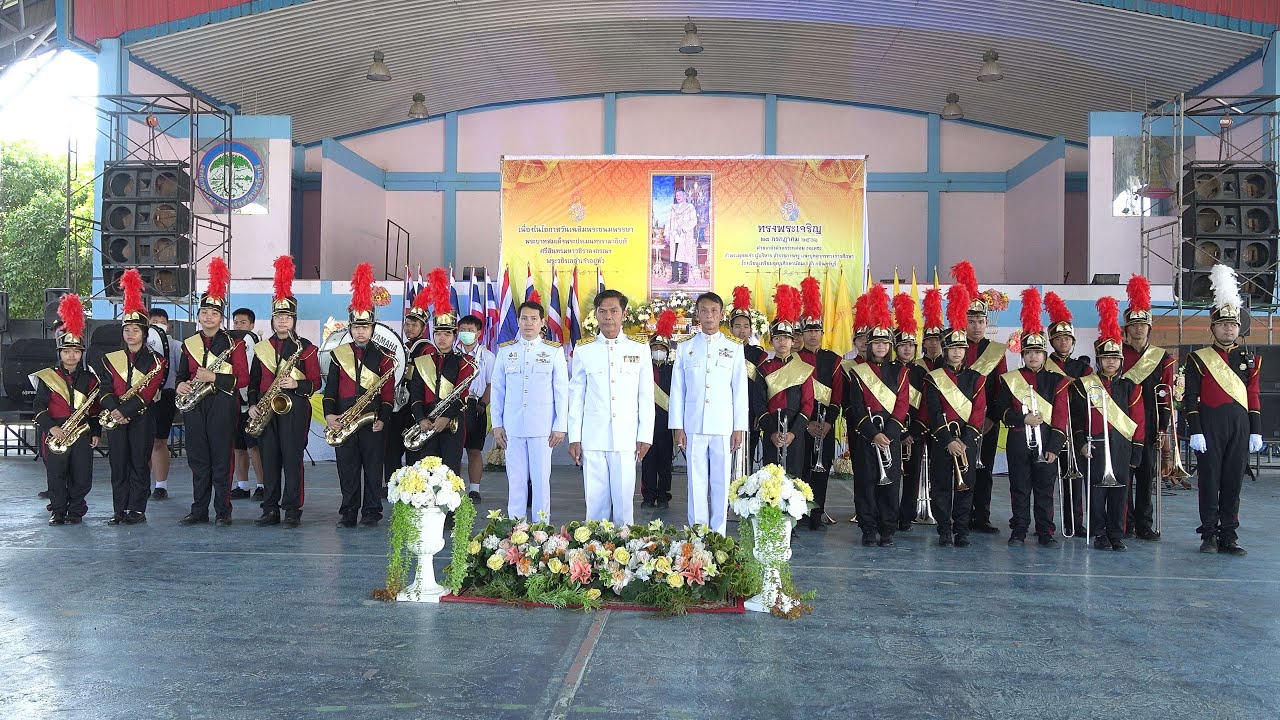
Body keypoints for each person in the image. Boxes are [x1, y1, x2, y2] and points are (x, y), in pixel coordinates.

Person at [1183, 264, 1261, 556]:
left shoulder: (1250, 358)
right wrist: (1196, 430)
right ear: (1212, 327)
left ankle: (1229, 534)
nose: (1229, 328)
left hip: (1240, 426)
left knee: (1232, 482)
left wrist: (1256, 430)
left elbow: (1253, 395)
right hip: (1210, 425)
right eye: (1223, 324)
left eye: (1233, 325)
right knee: (1209, 481)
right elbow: (1190, 397)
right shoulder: (1198, 359)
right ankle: (1209, 534)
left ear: (1239, 328)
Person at [568, 289, 655, 525]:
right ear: (595, 315)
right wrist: (574, 437)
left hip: (626, 438)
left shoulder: (639, 348)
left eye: (614, 311)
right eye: (603, 311)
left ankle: (625, 554)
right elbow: (576, 396)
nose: (608, 316)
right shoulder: (584, 349)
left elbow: (646, 395)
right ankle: (595, 553)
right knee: (595, 504)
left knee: (625, 504)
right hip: (593, 437)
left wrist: (645, 435)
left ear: (624, 314)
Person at [248, 257, 321, 528]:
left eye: (287, 317)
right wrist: (254, 403)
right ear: (273, 319)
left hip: (296, 409)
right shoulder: (262, 348)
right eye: (278, 317)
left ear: (294, 320)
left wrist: (295, 385)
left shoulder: (307, 348)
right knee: (269, 460)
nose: (282, 321)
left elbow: (316, 383)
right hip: (267, 410)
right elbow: (254, 382)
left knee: (292, 460)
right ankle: (270, 508)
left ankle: (292, 510)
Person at [992, 289, 1069, 547]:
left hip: (1047, 442)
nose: (1033, 356)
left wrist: (1055, 448)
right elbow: (1000, 411)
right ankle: (1019, 530)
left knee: (1046, 490)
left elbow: (1060, 416)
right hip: (1018, 442)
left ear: (1044, 355)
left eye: (1038, 352)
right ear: (1022, 355)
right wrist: (1021, 419)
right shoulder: (1010, 380)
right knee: (1019, 489)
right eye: (1029, 352)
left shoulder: (1056, 381)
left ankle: (1046, 531)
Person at [177, 258, 250, 526]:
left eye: (214, 313)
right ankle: (198, 509)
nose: (209, 317)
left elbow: (243, 378)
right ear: (198, 315)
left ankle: (222, 510)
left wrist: (214, 377)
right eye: (204, 312)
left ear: (222, 317)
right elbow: (181, 374)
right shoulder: (189, 343)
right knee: (197, 459)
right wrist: (182, 384)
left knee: (221, 458)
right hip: (195, 405)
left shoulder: (235, 343)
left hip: (222, 404)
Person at [669, 291, 749, 535]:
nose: (709, 315)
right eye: (704, 310)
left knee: (721, 481)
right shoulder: (685, 348)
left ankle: (718, 533)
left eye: (714, 311)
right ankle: (698, 533)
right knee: (696, 482)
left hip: (723, 426)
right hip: (693, 425)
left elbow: (739, 390)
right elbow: (677, 390)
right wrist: (677, 426)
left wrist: (739, 427)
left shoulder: (733, 348)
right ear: (698, 314)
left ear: (721, 315)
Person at [324, 263, 396, 528]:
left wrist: (383, 418)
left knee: (373, 468)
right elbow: (330, 388)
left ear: (373, 327)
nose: (361, 331)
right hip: (344, 416)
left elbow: (388, 393)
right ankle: (348, 511)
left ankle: (371, 512)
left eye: (365, 327)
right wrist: (330, 414)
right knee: (347, 467)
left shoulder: (385, 357)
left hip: (372, 418)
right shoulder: (338, 355)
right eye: (356, 327)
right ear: (350, 328)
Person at [1070, 297, 1144, 551]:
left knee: (1120, 494)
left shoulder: (1130, 387)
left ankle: (1116, 533)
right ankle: (1099, 533)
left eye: (1114, 358)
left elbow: (1139, 420)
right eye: (1105, 358)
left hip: (1122, 446)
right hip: (1095, 446)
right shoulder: (1084, 386)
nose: (1110, 362)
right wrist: (1080, 443)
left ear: (1121, 361)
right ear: (1098, 360)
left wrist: (1137, 449)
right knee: (1096, 493)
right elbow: (1077, 419)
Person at [844, 284, 910, 547]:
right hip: (866, 435)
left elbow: (902, 405)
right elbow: (856, 407)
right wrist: (873, 433)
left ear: (890, 345)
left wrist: (889, 434)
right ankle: (868, 528)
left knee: (890, 483)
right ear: (868, 345)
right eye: (876, 343)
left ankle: (888, 528)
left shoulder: (900, 372)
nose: (881, 346)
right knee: (865, 482)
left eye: (885, 342)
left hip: (890, 436)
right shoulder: (859, 372)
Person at [98, 270, 166, 526]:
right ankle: (119, 509)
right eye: (127, 329)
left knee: (139, 463)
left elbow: (149, 393)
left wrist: (124, 411)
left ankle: (137, 509)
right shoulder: (110, 359)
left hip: (141, 418)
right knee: (118, 465)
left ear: (144, 333)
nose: (130, 334)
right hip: (116, 418)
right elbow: (103, 388)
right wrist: (114, 409)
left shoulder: (156, 361)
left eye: (135, 330)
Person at [492, 299, 568, 521]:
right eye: (524, 318)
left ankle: (540, 530)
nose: (528, 323)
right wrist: (497, 424)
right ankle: (517, 530)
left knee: (541, 481)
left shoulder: (553, 352)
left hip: (542, 428)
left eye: (534, 319)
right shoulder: (506, 352)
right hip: (513, 427)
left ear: (542, 322)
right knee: (515, 481)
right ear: (518, 321)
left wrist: (560, 426)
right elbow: (497, 390)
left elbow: (562, 391)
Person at [923, 285, 986, 547]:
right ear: (945, 350)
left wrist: (967, 438)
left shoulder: (976, 378)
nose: (957, 352)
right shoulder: (934, 378)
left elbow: (979, 409)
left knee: (967, 485)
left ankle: (962, 529)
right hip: (942, 441)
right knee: (940, 485)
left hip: (967, 441)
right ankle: (944, 529)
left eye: (961, 348)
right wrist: (949, 439)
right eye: (952, 348)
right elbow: (933, 411)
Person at [32, 294, 100, 525]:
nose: (71, 355)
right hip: (56, 430)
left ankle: (76, 510)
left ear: (81, 353)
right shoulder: (48, 377)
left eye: (76, 351)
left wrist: (96, 432)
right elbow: (38, 407)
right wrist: (52, 428)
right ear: (60, 353)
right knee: (56, 473)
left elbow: (95, 409)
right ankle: (58, 511)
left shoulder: (91, 378)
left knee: (82, 474)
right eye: (67, 351)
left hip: (81, 430)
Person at [951, 260, 1006, 535]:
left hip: (986, 421)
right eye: (970, 321)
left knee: (984, 471)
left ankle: (981, 516)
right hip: (957, 421)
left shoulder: (995, 351)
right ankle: (956, 515)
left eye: (980, 321)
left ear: (987, 323)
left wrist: (992, 418)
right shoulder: (955, 347)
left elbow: (1002, 388)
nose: (975, 326)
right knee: (958, 467)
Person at [1120, 274, 1175, 541]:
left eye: (1143, 325)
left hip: (1151, 422)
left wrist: (1163, 428)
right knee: (1123, 475)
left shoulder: (1162, 358)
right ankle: (1124, 522)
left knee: (1145, 476)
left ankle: (1144, 523)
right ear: (1126, 328)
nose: (1138, 329)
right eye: (1134, 325)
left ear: (1149, 328)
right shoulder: (1115, 354)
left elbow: (1166, 394)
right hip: (1122, 421)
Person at [408, 269, 477, 476]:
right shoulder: (423, 361)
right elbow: (416, 394)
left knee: (450, 471)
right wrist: (421, 419)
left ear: (455, 335)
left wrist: (445, 418)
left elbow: (461, 396)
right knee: (427, 472)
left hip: (452, 423)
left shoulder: (465, 362)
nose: (442, 338)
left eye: (447, 333)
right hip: (426, 423)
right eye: (438, 333)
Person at [797, 278, 843, 531]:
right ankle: (798, 511)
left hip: (824, 424)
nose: (813, 335)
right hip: (801, 423)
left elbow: (838, 394)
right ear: (802, 334)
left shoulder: (833, 359)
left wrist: (827, 423)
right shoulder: (794, 358)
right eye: (808, 331)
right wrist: (805, 423)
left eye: (817, 331)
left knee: (821, 469)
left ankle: (818, 512)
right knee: (799, 467)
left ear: (822, 334)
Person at [757, 285, 815, 481]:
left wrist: (793, 432)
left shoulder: (804, 369)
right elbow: (760, 404)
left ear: (793, 341)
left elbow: (808, 404)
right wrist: (772, 432)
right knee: (770, 482)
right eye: (778, 338)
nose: (782, 342)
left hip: (795, 433)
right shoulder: (763, 368)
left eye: (787, 338)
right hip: (772, 430)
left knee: (795, 481)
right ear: (772, 342)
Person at [386, 288, 435, 489]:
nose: (409, 328)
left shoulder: (427, 348)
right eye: (407, 324)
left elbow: (425, 379)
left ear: (423, 327)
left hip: (415, 405)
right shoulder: (401, 346)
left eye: (414, 324)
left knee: (414, 448)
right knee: (391, 447)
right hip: (397, 403)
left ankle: (414, 485)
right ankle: (392, 483)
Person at [892, 293, 928, 533]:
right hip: (892, 430)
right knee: (892, 475)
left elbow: (927, 406)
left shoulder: (923, 372)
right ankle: (889, 514)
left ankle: (907, 516)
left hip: (915, 432)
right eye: (903, 345)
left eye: (911, 345)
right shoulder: (889, 371)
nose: (907, 349)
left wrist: (912, 432)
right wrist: (899, 431)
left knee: (912, 474)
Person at [641, 310, 678, 509]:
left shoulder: (672, 370)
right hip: (648, 422)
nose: (657, 350)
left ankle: (663, 495)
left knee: (665, 462)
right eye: (654, 347)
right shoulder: (644, 369)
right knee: (647, 462)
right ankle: (648, 496)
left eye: (661, 347)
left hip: (666, 422)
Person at [728, 286, 766, 472]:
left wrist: (759, 412)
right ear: (730, 328)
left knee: (747, 454)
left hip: (751, 411)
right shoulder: (723, 351)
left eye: (746, 326)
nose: (742, 330)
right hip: (726, 410)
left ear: (751, 330)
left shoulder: (758, 354)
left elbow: (761, 387)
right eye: (737, 326)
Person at [457, 314, 494, 502]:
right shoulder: (452, 353)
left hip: (475, 404)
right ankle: (453, 488)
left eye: (470, 331)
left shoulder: (487, 356)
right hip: (455, 405)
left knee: (474, 450)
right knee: (454, 450)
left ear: (479, 333)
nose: (466, 334)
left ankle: (474, 489)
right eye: (463, 330)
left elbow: (491, 384)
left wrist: (482, 404)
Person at [147, 308, 182, 501]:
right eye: (154, 321)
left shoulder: (176, 346)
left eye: (162, 321)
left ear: (168, 326)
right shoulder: (141, 344)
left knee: (159, 440)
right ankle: (141, 482)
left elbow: (180, 374)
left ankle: (160, 485)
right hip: (143, 398)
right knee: (142, 442)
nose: (158, 324)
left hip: (166, 396)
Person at [231, 307, 263, 500]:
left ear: (252, 325)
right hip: (235, 403)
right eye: (236, 322)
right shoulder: (230, 342)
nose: (238, 325)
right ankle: (242, 485)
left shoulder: (259, 346)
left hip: (253, 404)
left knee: (255, 447)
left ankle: (262, 485)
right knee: (238, 447)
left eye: (243, 322)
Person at [664, 188, 699, 285]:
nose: (678, 197)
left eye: (680, 195)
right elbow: (668, 222)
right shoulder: (673, 207)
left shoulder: (690, 207)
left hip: (684, 237)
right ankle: (674, 278)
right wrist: (666, 234)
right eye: (676, 195)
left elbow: (693, 221)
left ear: (684, 196)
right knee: (673, 257)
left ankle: (684, 279)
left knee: (684, 257)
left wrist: (683, 228)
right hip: (674, 236)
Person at [919, 288, 945, 371]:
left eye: (937, 340)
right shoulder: (916, 366)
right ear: (924, 343)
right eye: (930, 340)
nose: (934, 343)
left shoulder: (947, 365)